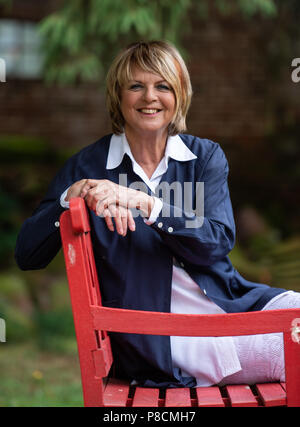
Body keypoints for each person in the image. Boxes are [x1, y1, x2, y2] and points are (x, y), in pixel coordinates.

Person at [15, 41, 300, 388]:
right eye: (136, 85)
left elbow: (215, 241)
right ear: (118, 96)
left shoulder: (204, 157)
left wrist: (145, 202)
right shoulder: (88, 167)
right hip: (164, 340)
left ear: (178, 95)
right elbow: (27, 254)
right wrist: (68, 198)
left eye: (162, 86)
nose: (150, 97)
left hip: (231, 305)